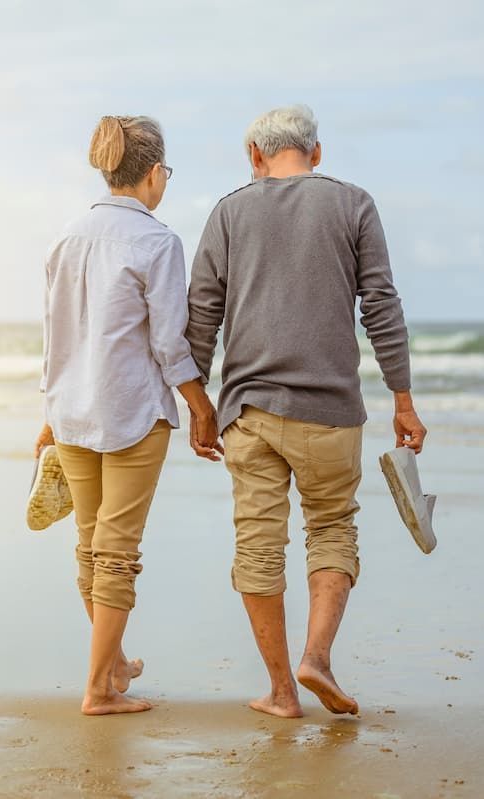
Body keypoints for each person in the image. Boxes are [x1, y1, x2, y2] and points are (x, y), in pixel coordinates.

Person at [185, 104, 428, 718]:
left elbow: (201, 317)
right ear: (317, 153)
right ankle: (316, 657)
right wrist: (402, 398)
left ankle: (281, 692)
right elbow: (381, 306)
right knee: (332, 530)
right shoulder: (353, 204)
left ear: (255, 158)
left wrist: (199, 405)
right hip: (331, 413)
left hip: (250, 412)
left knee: (259, 548)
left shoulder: (229, 211)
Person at [35, 115, 220, 716]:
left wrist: (48, 411)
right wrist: (199, 406)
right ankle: (97, 690)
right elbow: (170, 343)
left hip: (71, 412)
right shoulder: (157, 241)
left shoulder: (67, 236)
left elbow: (54, 337)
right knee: (116, 551)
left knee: (91, 546)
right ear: (155, 173)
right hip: (133, 412)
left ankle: (111, 667)